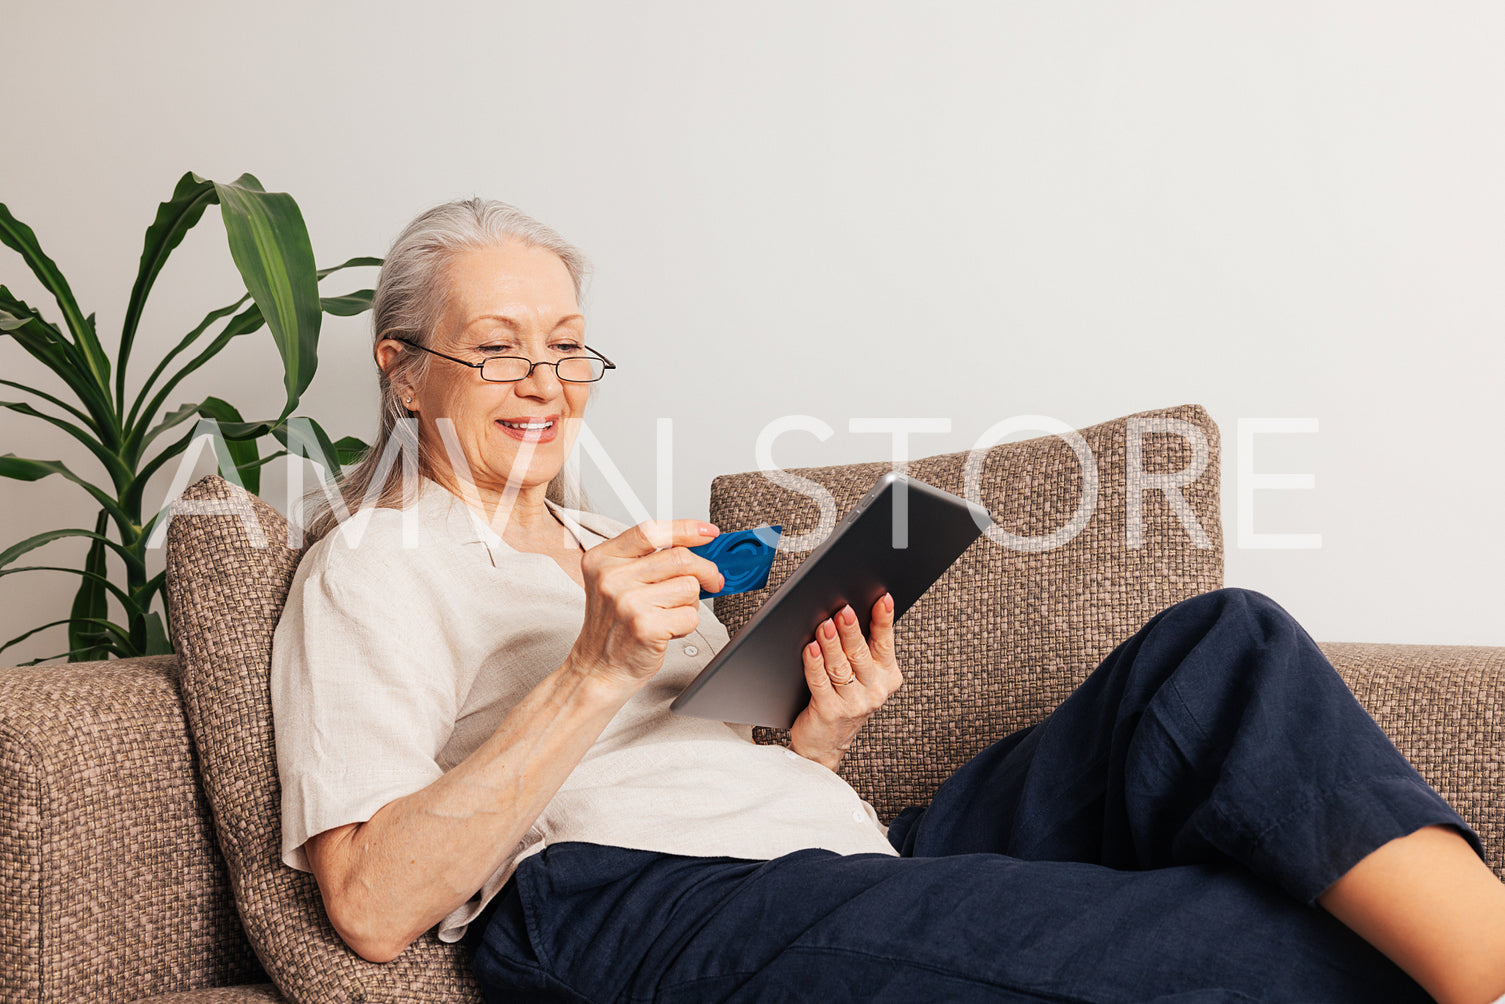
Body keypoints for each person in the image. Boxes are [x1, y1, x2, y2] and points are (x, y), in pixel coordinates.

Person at [270, 198, 1505, 1004]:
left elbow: (722, 767)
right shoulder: (373, 564)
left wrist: (818, 736)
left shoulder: (605, 536)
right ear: (405, 372)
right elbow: (372, 903)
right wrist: (590, 668)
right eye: (498, 347)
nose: (545, 380)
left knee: (1219, 644)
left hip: (840, 847)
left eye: (568, 345)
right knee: (1219, 927)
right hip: (634, 898)